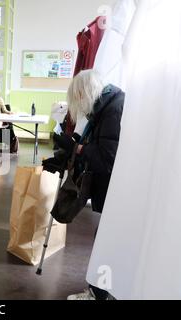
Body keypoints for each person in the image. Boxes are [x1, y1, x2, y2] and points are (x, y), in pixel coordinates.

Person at [62, 70, 125, 300]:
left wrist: (78, 149)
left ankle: (97, 293)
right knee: (106, 240)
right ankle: (101, 290)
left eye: (77, 98)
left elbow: (107, 158)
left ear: (84, 92)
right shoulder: (108, 104)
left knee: (105, 242)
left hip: (111, 189)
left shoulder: (113, 109)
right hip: (111, 189)